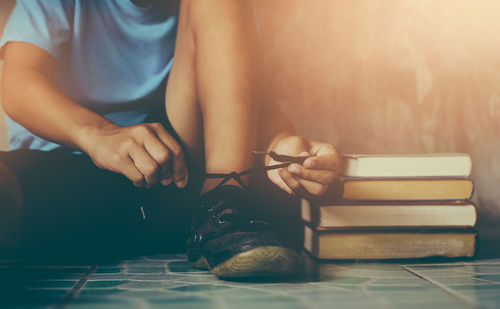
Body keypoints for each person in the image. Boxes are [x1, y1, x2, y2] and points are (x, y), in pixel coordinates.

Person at [0, 0, 340, 278]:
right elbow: (16, 80)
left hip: (172, 171)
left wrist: (279, 148)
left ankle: (226, 200)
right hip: (65, 166)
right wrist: (99, 135)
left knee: (290, 194)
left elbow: (250, 100)